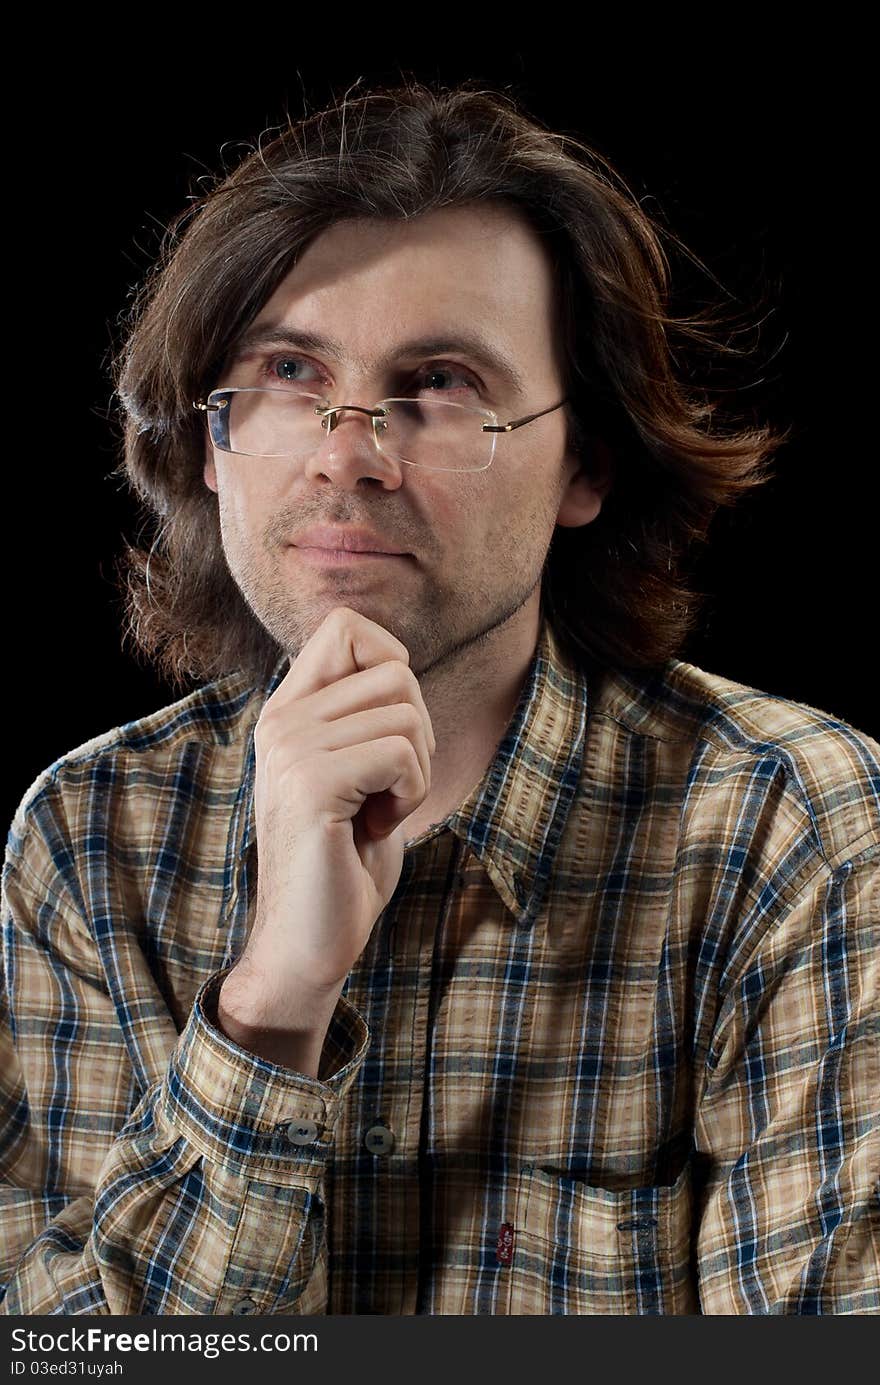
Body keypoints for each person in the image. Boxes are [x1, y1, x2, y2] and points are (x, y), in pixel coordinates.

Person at [1, 79, 877, 1318]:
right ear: (209, 440)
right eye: (291, 370)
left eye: (443, 384)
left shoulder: (786, 824)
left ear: (586, 463)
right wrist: (273, 1003)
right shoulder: (91, 835)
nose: (346, 449)